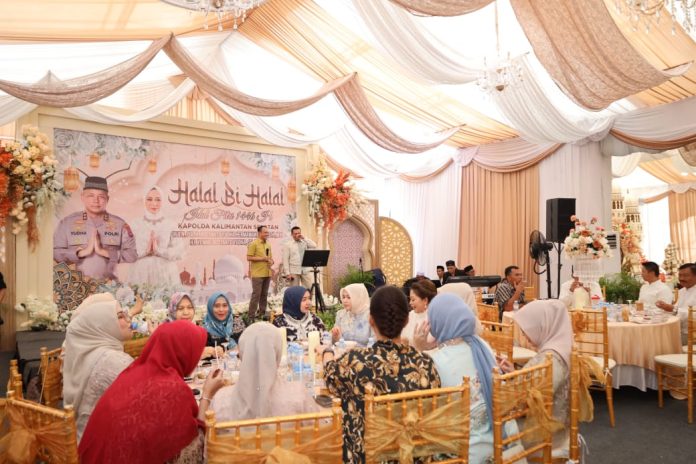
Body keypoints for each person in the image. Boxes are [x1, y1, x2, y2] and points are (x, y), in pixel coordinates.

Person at [319, 285, 441, 464]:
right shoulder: (425, 364)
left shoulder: (356, 362)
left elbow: (330, 377)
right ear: (407, 320)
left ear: (371, 320)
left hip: (366, 456)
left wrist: (327, 351)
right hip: (414, 456)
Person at [79, 321, 225, 464]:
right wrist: (207, 394)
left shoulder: (133, 372)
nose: (198, 355)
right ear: (184, 352)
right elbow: (193, 454)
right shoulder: (171, 389)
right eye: (196, 350)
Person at [426, 293, 498, 464]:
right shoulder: (482, 346)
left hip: (462, 452)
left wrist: (421, 345)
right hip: (498, 443)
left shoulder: (436, 360)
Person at [211, 322, 318, 422]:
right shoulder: (298, 396)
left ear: (242, 353)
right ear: (277, 353)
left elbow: (208, 434)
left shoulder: (220, 401)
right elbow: (319, 429)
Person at [62, 295, 134, 442]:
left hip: (79, 438)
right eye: (120, 316)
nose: (128, 320)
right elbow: (148, 395)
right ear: (103, 325)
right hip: (101, 445)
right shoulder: (112, 361)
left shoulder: (89, 354)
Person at [502, 300, 572, 448]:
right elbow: (538, 384)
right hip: (550, 422)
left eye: (527, 330)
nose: (524, 336)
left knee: (487, 432)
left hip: (544, 432)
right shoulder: (559, 349)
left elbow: (529, 400)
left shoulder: (552, 359)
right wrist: (515, 373)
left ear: (542, 326)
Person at [53, 176, 137, 280]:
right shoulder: (67, 223)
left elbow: (132, 255)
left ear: (107, 199)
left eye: (101, 196)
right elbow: (55, 253)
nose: (96, 200)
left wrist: (105, 252)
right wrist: (80, 253)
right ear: (82, 197)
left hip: (109, 285)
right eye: (90, 196)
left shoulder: (120, 224)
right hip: (76, 285)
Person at [128, 186, 185, 286]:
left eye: (158, 200)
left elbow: (179, 250)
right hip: (141, 273)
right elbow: (127, 251)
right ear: (144, 201)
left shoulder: (171, 224)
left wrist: (159, 251)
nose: (154, 203)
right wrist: (146, 251)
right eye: (149, 199)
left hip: (166, 274)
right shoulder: (135, 224)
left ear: (163, 201)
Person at [656, 263, 696, 342]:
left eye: (685, 275)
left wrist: (673, 309)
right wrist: (664, 307)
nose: (681, 278)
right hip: (679, 329)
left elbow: (694, 314)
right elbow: (675, 310)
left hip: (692, 333)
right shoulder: (682, 291)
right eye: (680, 275)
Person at [247, 225, 273, 320]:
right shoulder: (253, 244)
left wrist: (271, 261)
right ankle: (251, 316)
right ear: (259, 233)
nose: (267, 234)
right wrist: (262, 259)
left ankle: (262, 314)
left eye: (267, 232)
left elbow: (270, 258)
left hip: (267, 273)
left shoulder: (268, 245)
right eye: (265, 232)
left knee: (264, 295)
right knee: (256, 295)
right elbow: (249, 257)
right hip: (257, 274)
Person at [400, 279, 437, 347]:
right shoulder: (410, 315)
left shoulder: (434, 318)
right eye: (410, 299)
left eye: (413, 299)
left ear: (425, 300)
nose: (410, 303)